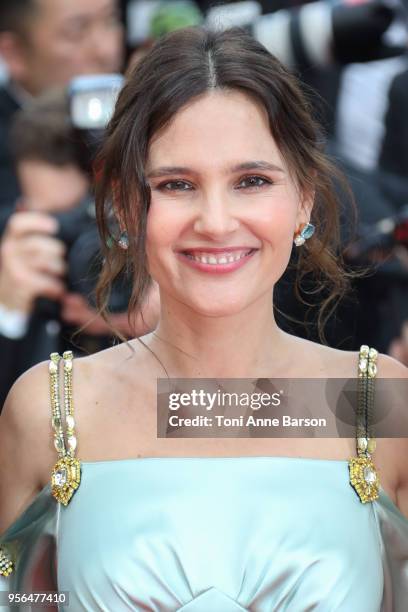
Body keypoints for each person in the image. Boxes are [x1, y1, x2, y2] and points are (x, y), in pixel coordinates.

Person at [0, 26, 407, 610]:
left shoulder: (375, 403)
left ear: (305, 200)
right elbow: (20, 599)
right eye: (176, 185)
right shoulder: (52, 408)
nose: (215, 222)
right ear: (123, 206)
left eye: (252, 181)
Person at [0, 0, 123, 224]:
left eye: (111, 20)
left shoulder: (141, 114)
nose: (107, 49)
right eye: (76, 32)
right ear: (14, 53)